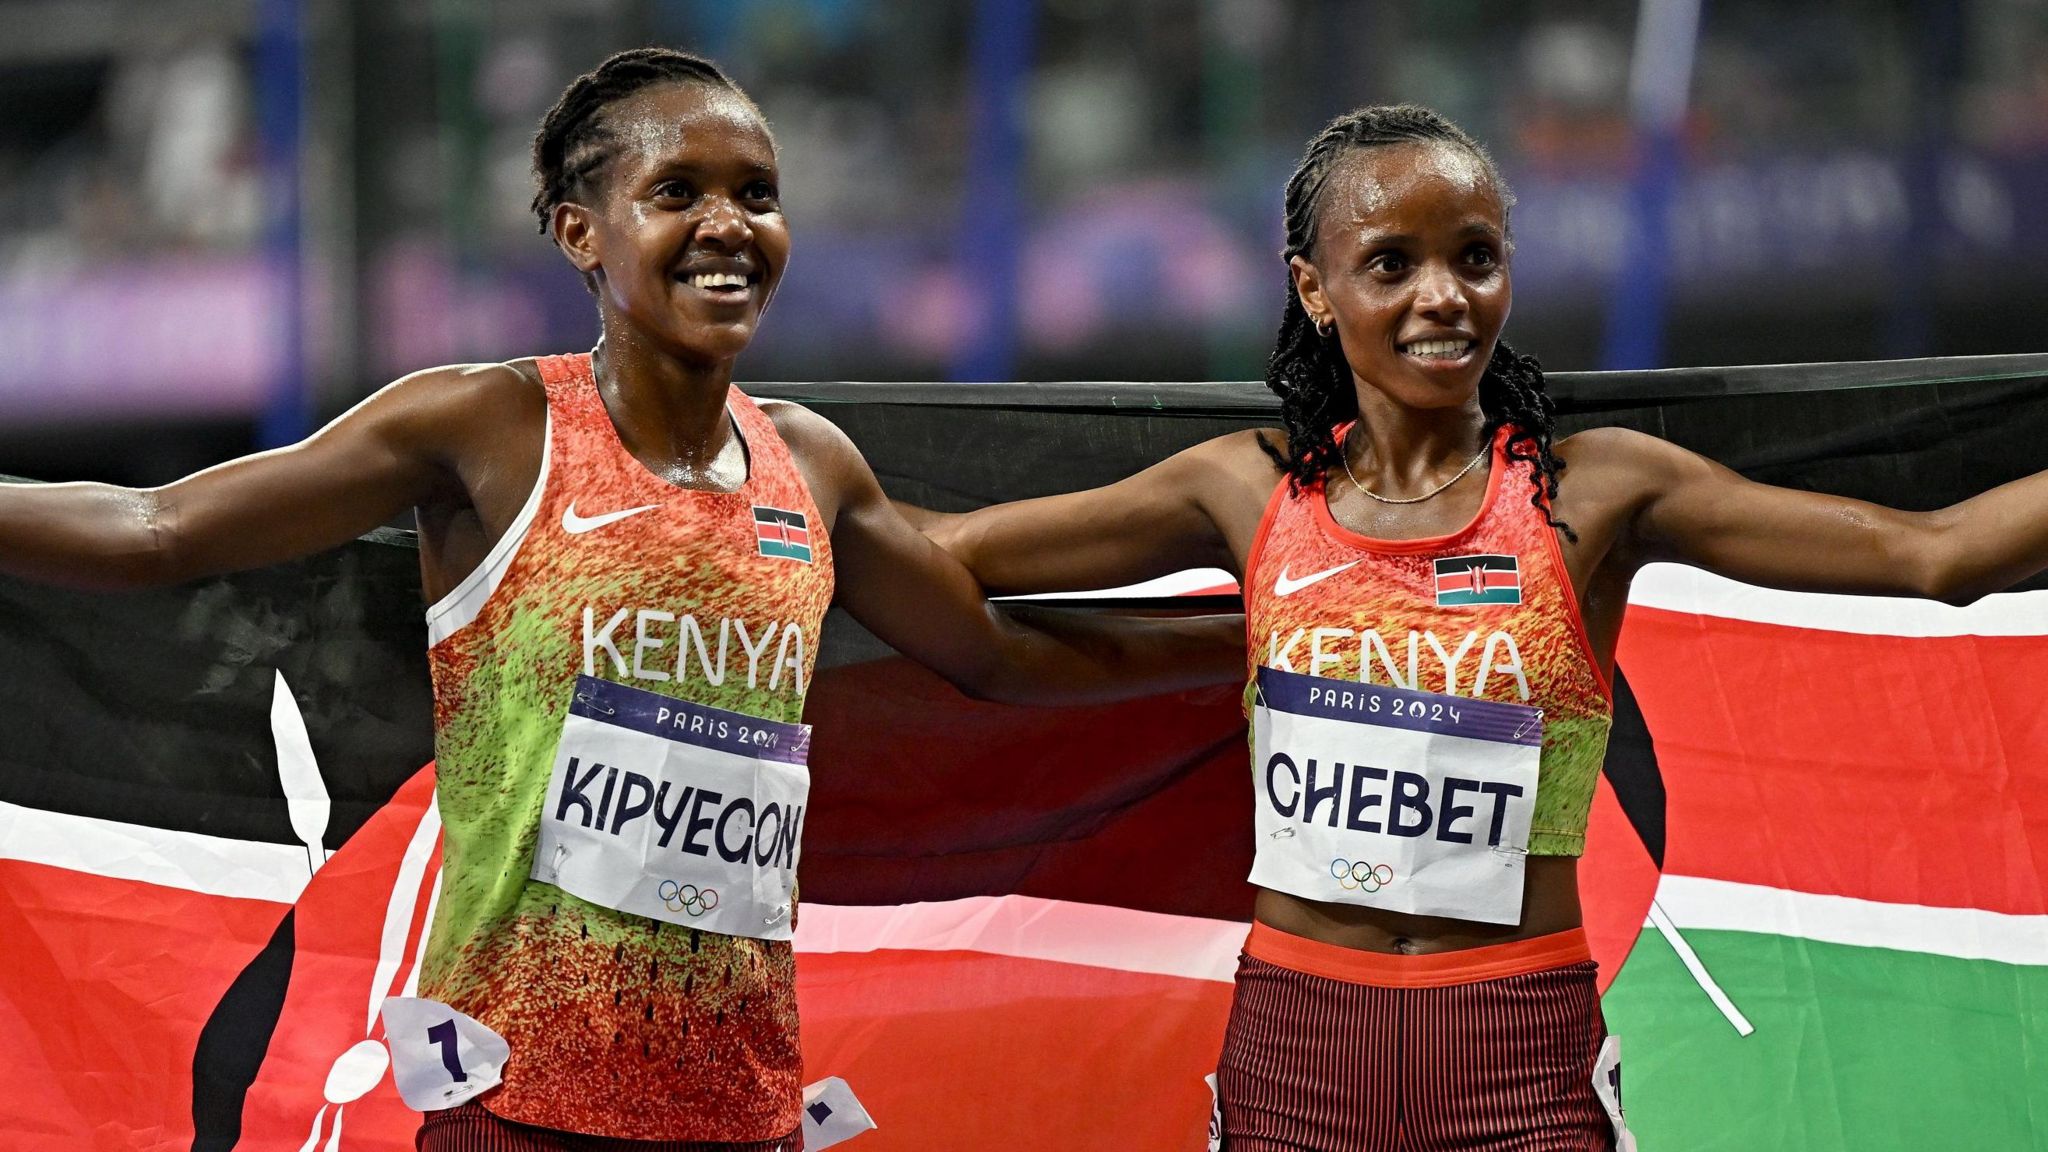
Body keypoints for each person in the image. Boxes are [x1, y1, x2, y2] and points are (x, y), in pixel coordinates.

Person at [0, 49, 1240, 1151]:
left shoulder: (807, 463)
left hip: (737, 1104)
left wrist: (1270, 643)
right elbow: (156, 530)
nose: (727, 225)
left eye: (755, 193)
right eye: (676, 194)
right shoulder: (487, 426)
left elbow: (992, 655)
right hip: (513, 1098)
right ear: (577, 233)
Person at [905, 104, 2048, 1151]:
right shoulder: (1242, 493)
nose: (1441, 296)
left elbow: (1931, 555)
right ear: (1313, 288)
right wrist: (751, 443)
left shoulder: (1589, 494)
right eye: (1389, 264)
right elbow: (943, 553)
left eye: (1475, 257)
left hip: (1518, 1059)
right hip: (1298, 1056)